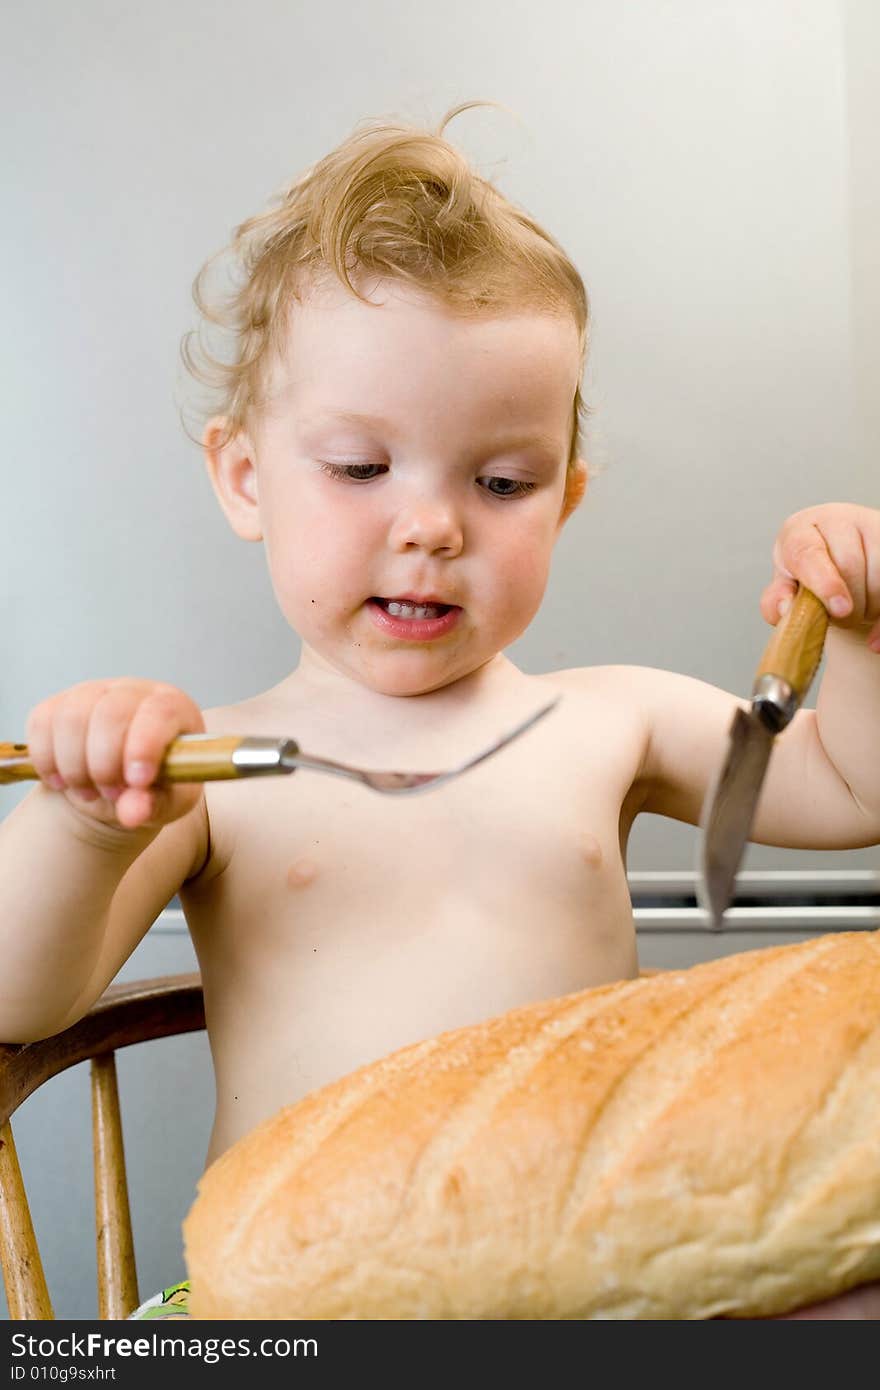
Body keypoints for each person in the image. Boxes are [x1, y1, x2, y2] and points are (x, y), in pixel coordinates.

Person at [3, 106, 878, 1321]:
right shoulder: (202, 766)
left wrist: (863, 631)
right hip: (304, 1306)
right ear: (245, 477)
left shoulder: (609, 720)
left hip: (584, 1283)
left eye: (501, 481)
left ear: (563, 501)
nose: (432, 525)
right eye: (362, 469)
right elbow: (17, 997)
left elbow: (848, 786)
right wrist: (86, 823)